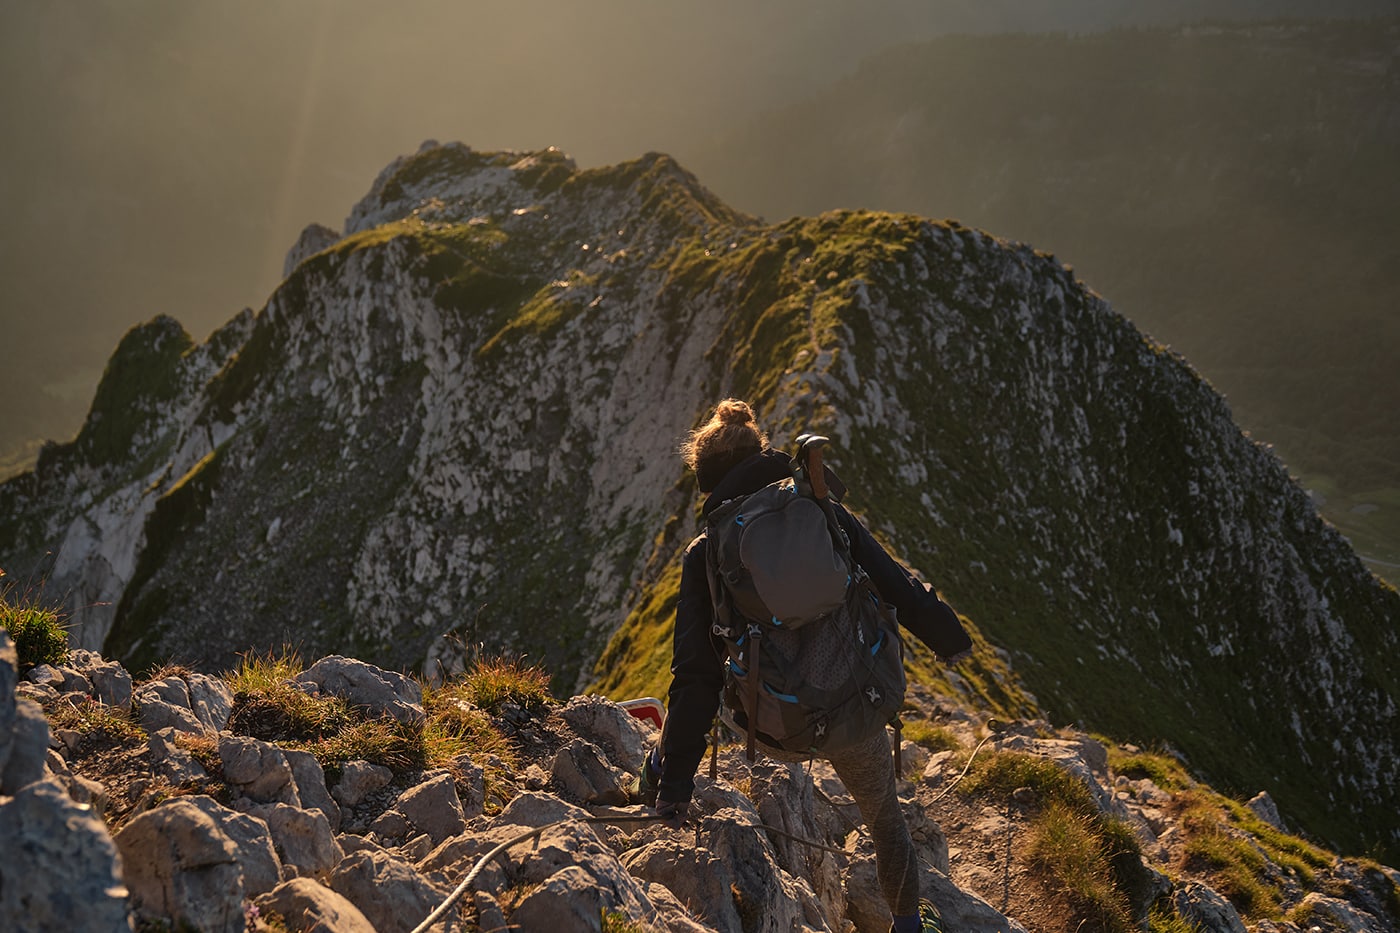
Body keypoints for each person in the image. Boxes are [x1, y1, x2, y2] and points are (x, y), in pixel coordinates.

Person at [642, 398, 973, 933]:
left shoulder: (706, 553)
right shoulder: (820, 507)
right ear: (763, 455)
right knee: (887, 821)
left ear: (708, 481)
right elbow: (893, 580)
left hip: (768, 726)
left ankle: (655, 776)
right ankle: (910, 924)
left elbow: (697, 675)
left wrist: (678, 781)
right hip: (854, 704)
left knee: (685, 709)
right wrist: (947, 637)